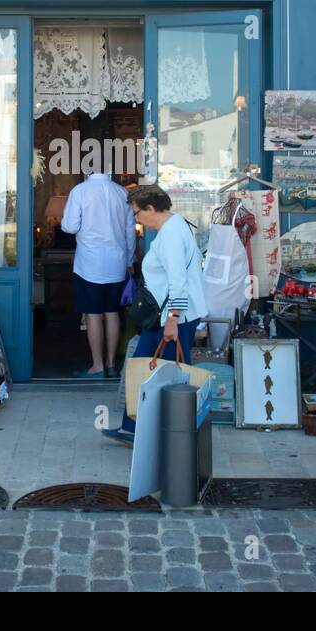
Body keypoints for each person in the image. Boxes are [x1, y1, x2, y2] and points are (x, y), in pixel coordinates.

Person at [102, 184, 207, 445]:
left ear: (151, 208)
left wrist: (173, 318)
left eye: (138, 213)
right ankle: (133, 428)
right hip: (167, 316)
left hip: (172, 317)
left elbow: (177, 281)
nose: (137, 220)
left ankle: (164, 432)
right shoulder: (175, 226)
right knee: (145, 368)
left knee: (161, 374)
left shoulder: (171, 234)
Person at [61, 164, 135, 378]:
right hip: (117, 262)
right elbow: (130, 230)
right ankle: (111, 364)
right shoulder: (122, 193)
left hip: (89, 264)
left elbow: (69, 226)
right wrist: (130, 259)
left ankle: (97, 366)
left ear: (87, 170)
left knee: (93, 314)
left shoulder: (80, 191)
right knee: (112, 312)